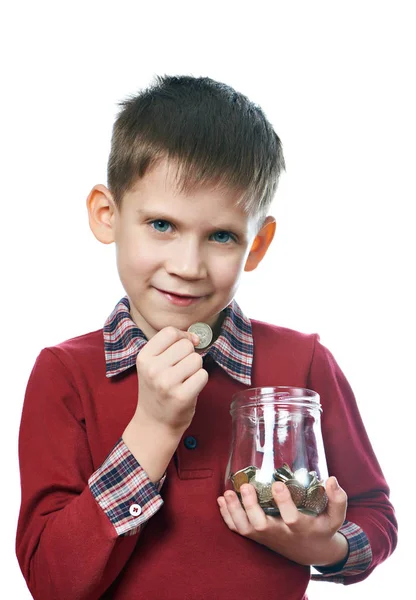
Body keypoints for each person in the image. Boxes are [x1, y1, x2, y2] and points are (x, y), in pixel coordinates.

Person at [15, 74, 397, 600]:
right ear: (108, 216)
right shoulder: (65, 374)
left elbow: (376, 516)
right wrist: (153, 425)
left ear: (256, 245)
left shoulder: (303, 362)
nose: (187, 265)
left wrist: (323, 548)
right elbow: (52, 583)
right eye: (162, 225)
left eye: (221, 236)